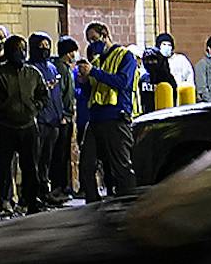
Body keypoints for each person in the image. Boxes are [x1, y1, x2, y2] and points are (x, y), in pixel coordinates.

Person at [0, 34, 48, 218]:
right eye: (17, 49)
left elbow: (43, 94)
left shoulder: (33, 73)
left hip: (28, 126)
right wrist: (2, 107)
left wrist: (35, 107)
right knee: (0, 168)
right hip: (4, 126)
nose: (21, 53)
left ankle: (32, 201)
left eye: (23, 49)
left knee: (30, 167)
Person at [75, 21, 138, 202]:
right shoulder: (96, 61)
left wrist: (94, 72)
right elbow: (90, 93)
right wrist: (84, 81)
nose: (93, 44)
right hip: (95, 120)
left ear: (105, 35)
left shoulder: (125, 56)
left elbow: (122, 82)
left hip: (116, 118)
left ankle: (129, 205)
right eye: (89, 41)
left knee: (121, 167)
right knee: (87, 165)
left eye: (95, 39)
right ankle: (92, 204)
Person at [28, 33, 65, 206]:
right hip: (40, 120)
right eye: (40, 46)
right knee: (36, 159)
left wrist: (61, 114)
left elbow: (58, 94)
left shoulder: (52, 67)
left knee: (47, 160)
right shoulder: (30, 69)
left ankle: (45, 190)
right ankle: (34, 192)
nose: (44, 49)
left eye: (47, 45)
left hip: (53, 121)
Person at [50, 36, 80, 198]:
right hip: (62, 118)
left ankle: (63, 185)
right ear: (69, 52)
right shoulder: (61, 69)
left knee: (64, 154)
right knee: (59, 154)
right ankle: (58, 186)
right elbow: (60, 93)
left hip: (67, 116)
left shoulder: (67, 68)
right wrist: (62, 114)